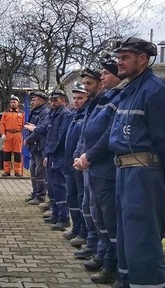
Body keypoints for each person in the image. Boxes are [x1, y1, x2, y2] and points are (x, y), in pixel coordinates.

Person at [108, 37, 165, 288]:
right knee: (127, 237)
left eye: (125, 57)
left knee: (142, 240)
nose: (119, 61)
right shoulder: (130, 90)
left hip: (143, 176)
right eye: (119, 56)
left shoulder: (155, 90)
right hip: (125, 174)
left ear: (143, 59)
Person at [74, 60, 126, 285]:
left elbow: (108, 135)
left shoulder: (116, 99)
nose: (102, 77)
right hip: (94, 167)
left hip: (106, 169)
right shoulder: (103, 100)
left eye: (106, 73)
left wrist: (89, 156)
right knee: (98, 215)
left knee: (109, 219)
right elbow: (89, 133)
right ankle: (104, 256)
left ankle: (112, 265)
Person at [25, 90, 71, 231]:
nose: (52, 102)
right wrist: (30, 137)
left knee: (60, 187)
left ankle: (64, 218)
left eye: (56, 100)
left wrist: (50, 154)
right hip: (49, 155)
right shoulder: (52, 114)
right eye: (51, 100)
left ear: (63, 100)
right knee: (52, 186)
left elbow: (60, 137)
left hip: (58, 155)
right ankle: (56, 214)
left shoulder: (65, 114)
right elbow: (42, 129)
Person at [72, 68, 103, 261]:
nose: (86, 88)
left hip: (96, 165)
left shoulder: (102, 105)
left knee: (95, 210)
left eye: (89, 84)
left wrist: (87, 156)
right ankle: (92, 244)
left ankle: (98, 250)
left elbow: (104, 137)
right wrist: (77, 155)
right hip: (85, 165)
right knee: (87, 206)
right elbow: (84, 137)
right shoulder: (93, 106)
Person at [62, 83, 89, 244]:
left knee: (81, 199)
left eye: (80, 98)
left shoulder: (86, 115)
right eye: (75, 98)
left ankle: (84, 232)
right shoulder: (75, 115)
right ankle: (76, 227)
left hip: (80, 164)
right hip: (69, 163)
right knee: (71, 196)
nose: (76, 101)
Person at [24, 91, 50, 204]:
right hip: (34, 147)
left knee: (39, 172)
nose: (32, 102)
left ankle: (40, 195)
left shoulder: (44, 113)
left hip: (39, 147)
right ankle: (35, 192)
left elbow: (39, 131)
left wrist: (28, 139)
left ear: (41, 100)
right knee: (33, 171)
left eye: (34, 100)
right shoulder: (35, 111)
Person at [0, 95, 24, 177]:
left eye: (14, 102)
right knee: (7, 153)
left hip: (18, 134)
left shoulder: (22, 113)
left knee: (18, 154)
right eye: (11, 102)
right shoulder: (6, 113)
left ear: (18, 103)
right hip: (8, 135)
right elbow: (2, 124)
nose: (13, 104)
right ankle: (7, 171)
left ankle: (17, 171)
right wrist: (2, 134)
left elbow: (24, 124)